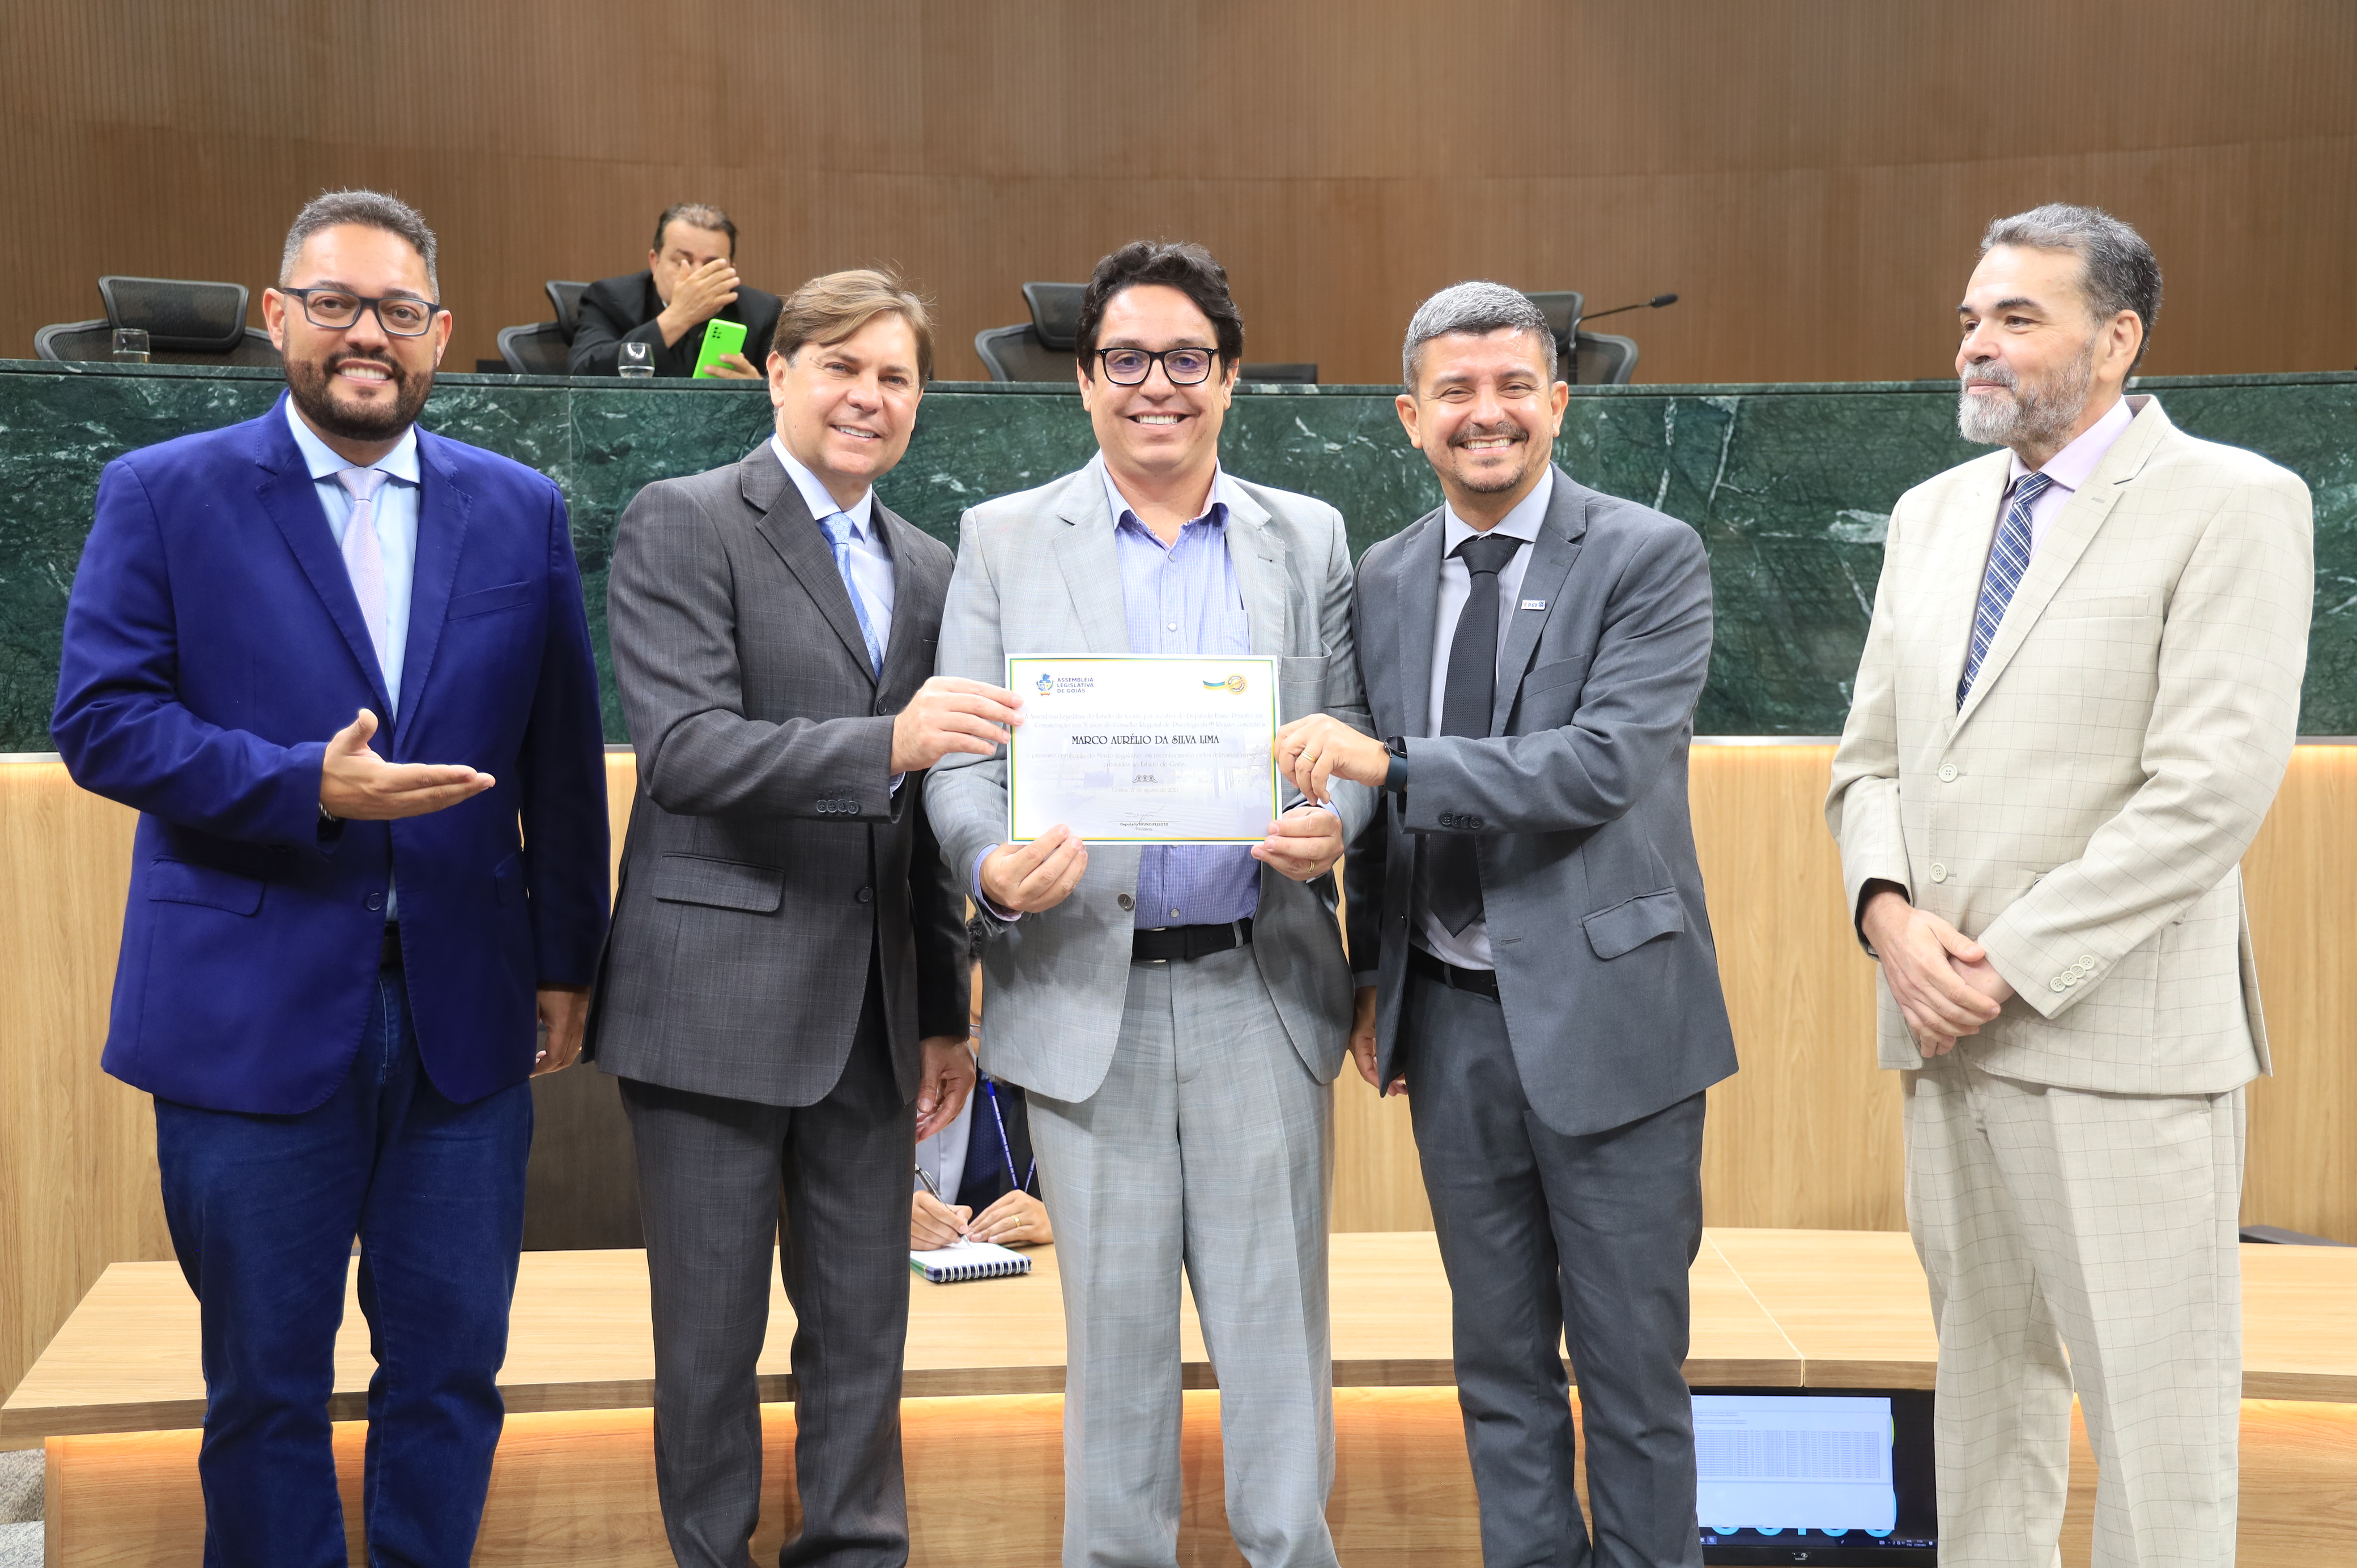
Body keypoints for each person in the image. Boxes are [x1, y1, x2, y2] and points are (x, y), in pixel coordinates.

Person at [48, 189, 610, 1567]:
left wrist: (565, 962)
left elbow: (558, 760)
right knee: (265, 1385)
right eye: (337, 303)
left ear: (441, 334)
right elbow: (103, 721)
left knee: (451, 1370)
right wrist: (302, 783)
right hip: (248, 1008)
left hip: (465, 1019)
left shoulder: (520, 509)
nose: (369, 334)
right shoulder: (164, 493)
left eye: (398, 310)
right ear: (278, 315)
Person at [1826, 204, 2312, 1567]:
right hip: (1942, 1038)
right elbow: (1869, 763)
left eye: (2015, 318)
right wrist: (1890, 921)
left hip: (2115, 1045)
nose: (1974, 344)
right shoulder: (1928, 515)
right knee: (1987, 1409)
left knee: (2157, 1427)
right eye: (1969, 318)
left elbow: (2207, 790)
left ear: (2115, 340)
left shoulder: (2233, 502)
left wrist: (2003, 964)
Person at [1273, 281, 1736, 1568]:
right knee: (1497, 1366)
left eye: (1514, 387)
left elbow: (1599, 765)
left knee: (1633, 1376)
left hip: (1615, 1023)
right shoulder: (1383, 575)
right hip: (1451, 1023)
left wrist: (1391, 763)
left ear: (1559, 403)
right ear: (1411, 416)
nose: (1488, 414)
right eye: (1458, 392)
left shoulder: (1649, 555)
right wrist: (1373, 971)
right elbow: (1381, 809)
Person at [925, 240, 1374, 1568]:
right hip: (1081, 1000)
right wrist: (987, 868)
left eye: (1187, 359)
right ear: (1083, 380)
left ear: (1230, 378)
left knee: (1278, 1360)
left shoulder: (1306, 536)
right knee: (1116, 1368)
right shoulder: (1002, 539)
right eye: (1126, 360)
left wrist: (1334, 826)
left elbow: (1351, 740)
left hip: (1259, 989)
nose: (1156, 385)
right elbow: (960, 764)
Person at [589, 268, 1009, 1568]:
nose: (868, 396)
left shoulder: (932, 568)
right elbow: (687, 752)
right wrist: (887, 740)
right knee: (708, 1347)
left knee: (863, 1340)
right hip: (709, 1008)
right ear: (776, 374)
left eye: (895, 376)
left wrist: (942, 1012)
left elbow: (925, 817)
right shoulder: (683, 520)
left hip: (873, 1021)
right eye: (841, 366)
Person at [569, 202, 782, 379]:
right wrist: (679, 317)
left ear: (731, 272)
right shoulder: (610, 298)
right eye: (682, 262)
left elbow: (788, 390)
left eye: (712, 265)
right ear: (655, 263)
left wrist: (757, 391)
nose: (697, 275)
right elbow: (582, 375)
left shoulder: (763, 312)